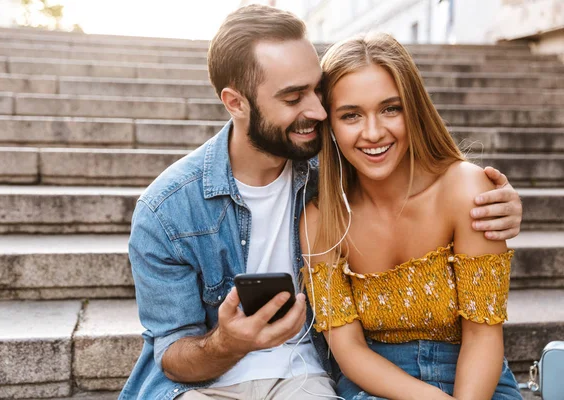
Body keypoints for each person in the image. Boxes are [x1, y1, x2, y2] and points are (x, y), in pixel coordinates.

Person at [119, 5, 523, 400]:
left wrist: (500, 206)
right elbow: (171, 355)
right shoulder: (168, 210)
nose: (317, 111)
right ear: (235, 102)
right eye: (294, 97)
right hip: (210, 384)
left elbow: (483, 329)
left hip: (307, 377)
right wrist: (227, 342)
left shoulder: (329, 170)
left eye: (316, 90)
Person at [300, 32, 523, 400]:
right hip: (377, 383)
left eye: (391, 108)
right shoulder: (322, 219)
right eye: (351, 115)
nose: (373, 133)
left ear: (414, 109)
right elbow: (349, 350)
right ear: (330, 126)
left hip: (478, 381)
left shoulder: (466, 190)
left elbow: (483, 334)